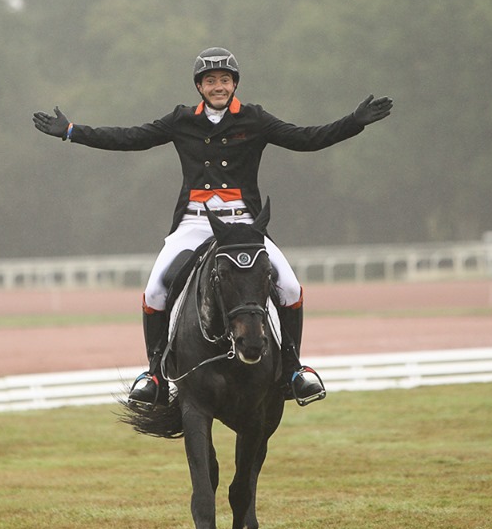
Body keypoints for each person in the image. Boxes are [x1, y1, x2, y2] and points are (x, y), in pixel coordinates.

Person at [33, 47, 393, 408]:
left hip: (244, 224)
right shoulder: (181, 120)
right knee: (155, 291)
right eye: (210, 81)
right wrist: (71, 131)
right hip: (194, 222)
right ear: (199, 87)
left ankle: (293, 369)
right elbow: (130, 138)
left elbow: (306, 139)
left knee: (290, 286)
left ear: (234, 84)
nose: (218, 86)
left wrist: (354, 122)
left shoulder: (255, 119)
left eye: (224, 80)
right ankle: (156, 375)